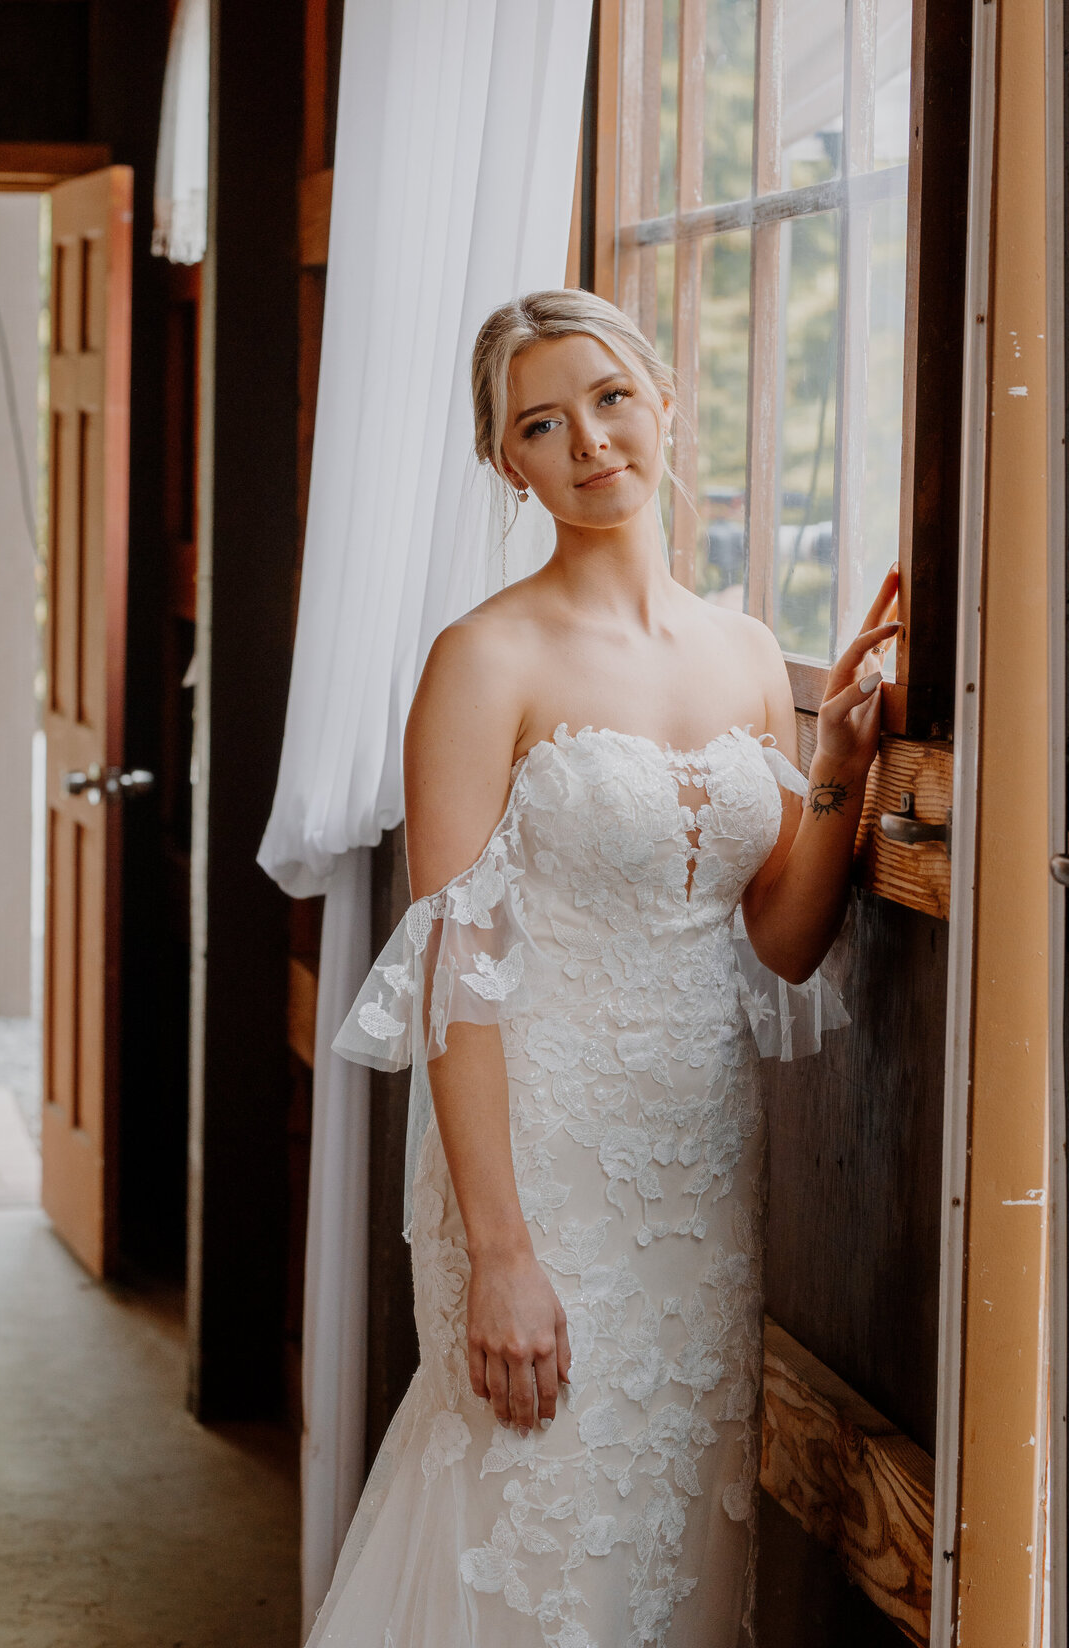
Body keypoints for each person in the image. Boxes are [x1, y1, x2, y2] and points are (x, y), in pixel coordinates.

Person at [306, 289, 899, 1648]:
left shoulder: (749, 654)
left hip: (698, 1175)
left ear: (666, 399)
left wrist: (842, 769)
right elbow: (458, 978)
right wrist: (502, 1251)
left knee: (670, 1524)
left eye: (610, 397)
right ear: (506, 462)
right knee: (528, 1521)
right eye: (541, 423)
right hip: (539, 1175)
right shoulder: (483, 661)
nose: (589, 439)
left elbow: (782, 939)